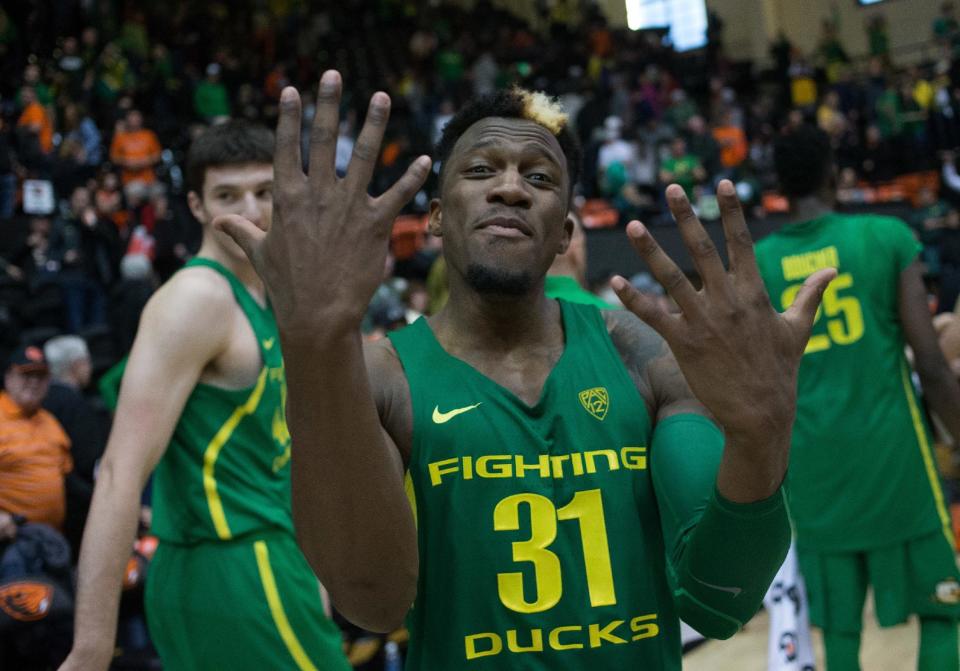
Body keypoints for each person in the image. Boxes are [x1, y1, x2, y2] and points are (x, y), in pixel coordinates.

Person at [217, 73, 833, 669]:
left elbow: (719, 597)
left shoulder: (635, 352)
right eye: (481, 170)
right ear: (433, 216)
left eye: (538, 177)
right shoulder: (382, 377)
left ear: (565, 232)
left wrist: (762, 436)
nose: (510, 188)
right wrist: (315, 341)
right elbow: (372, 601)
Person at [59, 121, 350, 671]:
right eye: (227, 195)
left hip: (258, 562)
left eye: (265, 192)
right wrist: (92, 645)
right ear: (194, 205)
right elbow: (120, 472)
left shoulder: (265, 294)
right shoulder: (198, 298)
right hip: (234, 566)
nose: (251, 209)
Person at [754, 124, 960, 670]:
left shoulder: (757, 262)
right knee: (942, 615)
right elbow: (933, 367)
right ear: (831, 173)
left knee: (839, 633)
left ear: (780, 182)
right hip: (896, 461)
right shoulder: (884, 237)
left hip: (815, 474)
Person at [42, 336, 108, 558]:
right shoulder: (74, 404)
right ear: (77, 364)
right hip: (77, 506)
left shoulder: (40, 399)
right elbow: (89, 461)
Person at [0, 346, 72, 531]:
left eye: (40, 376)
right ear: (8, 378)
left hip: (48, 541)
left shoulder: (50, 421)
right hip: (9, 542)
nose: (33, 382)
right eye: (26, 375)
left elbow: (66, 475)